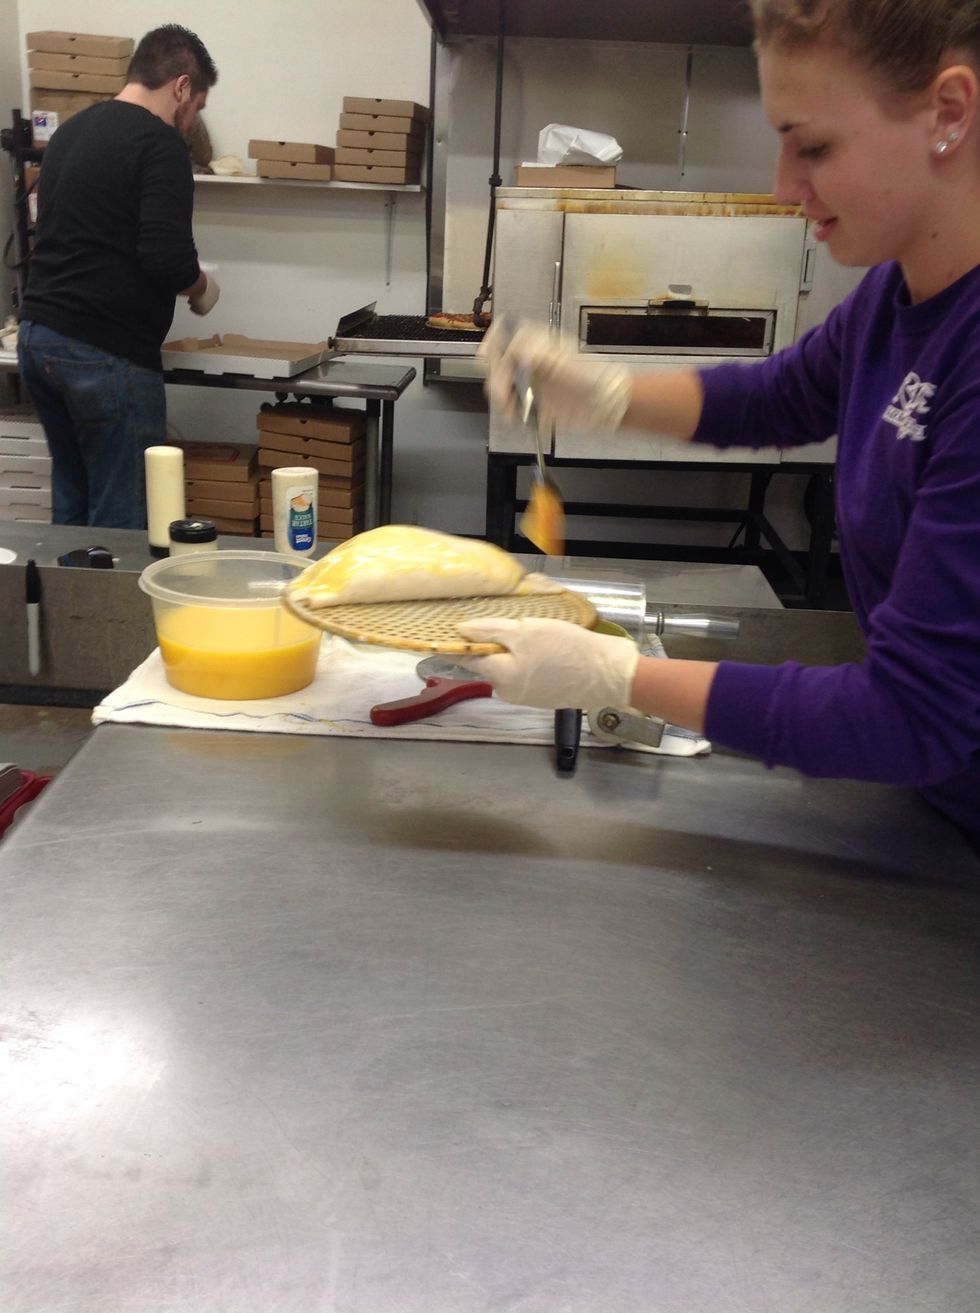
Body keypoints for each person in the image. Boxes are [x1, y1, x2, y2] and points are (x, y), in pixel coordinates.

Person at [459, 0, 980, 849]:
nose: (783, 186)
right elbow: (780, 396)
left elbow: (909, 715)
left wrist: (618, 674)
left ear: (948, 113)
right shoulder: (897, 295)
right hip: (941, 806)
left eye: (813, 146)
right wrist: (602, 391)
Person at [17, 24, 220, 529]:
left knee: (74, 503)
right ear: (180, 87)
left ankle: (65, 609)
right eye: (196, 106)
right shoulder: (161, 146)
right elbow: (165, 257)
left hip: (39, 339)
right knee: (122, 523)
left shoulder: (69, 133)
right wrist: (201, 288)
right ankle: (106, 612)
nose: (191, 120)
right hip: (105, 354)